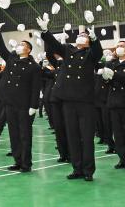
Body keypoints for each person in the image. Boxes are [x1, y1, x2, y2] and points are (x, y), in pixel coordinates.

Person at [38, 15, 102, 182]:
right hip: (68, 100)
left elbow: (98, 53)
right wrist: (46, 31)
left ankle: (88, 170)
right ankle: (77, 168)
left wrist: (95, 40)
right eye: (80, 35)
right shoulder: (67, 50)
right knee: (72, 136)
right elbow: (54, 46)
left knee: (87, 138)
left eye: (85, 36)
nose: (81, 36)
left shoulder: (91, 54)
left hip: (86, 101)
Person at [0, 19, 42, 172]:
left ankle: (26, 164)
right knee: (13, 134)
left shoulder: (34, 67)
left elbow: (35, 88)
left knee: (25, 135)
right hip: (10, 103)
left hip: (24, 105)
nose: (19, 47)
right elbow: (1, 49)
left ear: (28, 50)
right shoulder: (12, 59)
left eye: (22, 45)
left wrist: (34, 106)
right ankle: (17, 161)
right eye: (19, 45)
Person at [101, 41, 125, 170]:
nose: (119, 48)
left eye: (122, 46)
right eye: (117, 46)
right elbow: (106, 82)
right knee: (117, 135)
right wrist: (106, 78)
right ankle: (122, 158)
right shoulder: (111, 63)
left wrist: (114, 74)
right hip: (113, 102)